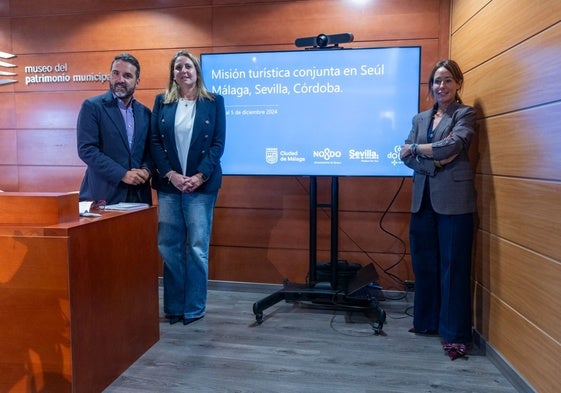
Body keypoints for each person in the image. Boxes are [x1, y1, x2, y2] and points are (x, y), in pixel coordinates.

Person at [400, 59, 477, 360]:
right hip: (423, 200)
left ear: (458, 83)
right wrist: (435, 161)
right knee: (425, 263)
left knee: (453, 267)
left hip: (454, 202)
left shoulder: (465, 113)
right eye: (436, 81)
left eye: (447, 80)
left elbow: (452, 145)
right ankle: (427, 322)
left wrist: (419, 151)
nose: (441, 86)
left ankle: (454, 334)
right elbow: (403, 155)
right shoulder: (420, 119)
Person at [150, 50, 226, 325]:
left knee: (196, 248)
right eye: (178, 67)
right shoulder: (163, 102)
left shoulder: (214, 102)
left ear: (197, 71)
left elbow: (218, 145)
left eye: (188, 66)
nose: (184, 71)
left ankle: (193, 308)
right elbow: (155, 143)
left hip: (201, 188)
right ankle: (173, 308)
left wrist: (198, 176)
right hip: (169, 187)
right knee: (169, 246)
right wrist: (171, 174)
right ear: (173, 74)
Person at [77, 52, 153, 205]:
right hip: (104, 195)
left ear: (137, 81)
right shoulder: (92, 107)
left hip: (139, 195)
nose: (120, 80)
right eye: (115, 73)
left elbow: (150, 151)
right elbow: (87, 149)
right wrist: (122, 174)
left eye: (127, 76)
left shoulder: (145, 113)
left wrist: (146, 171)